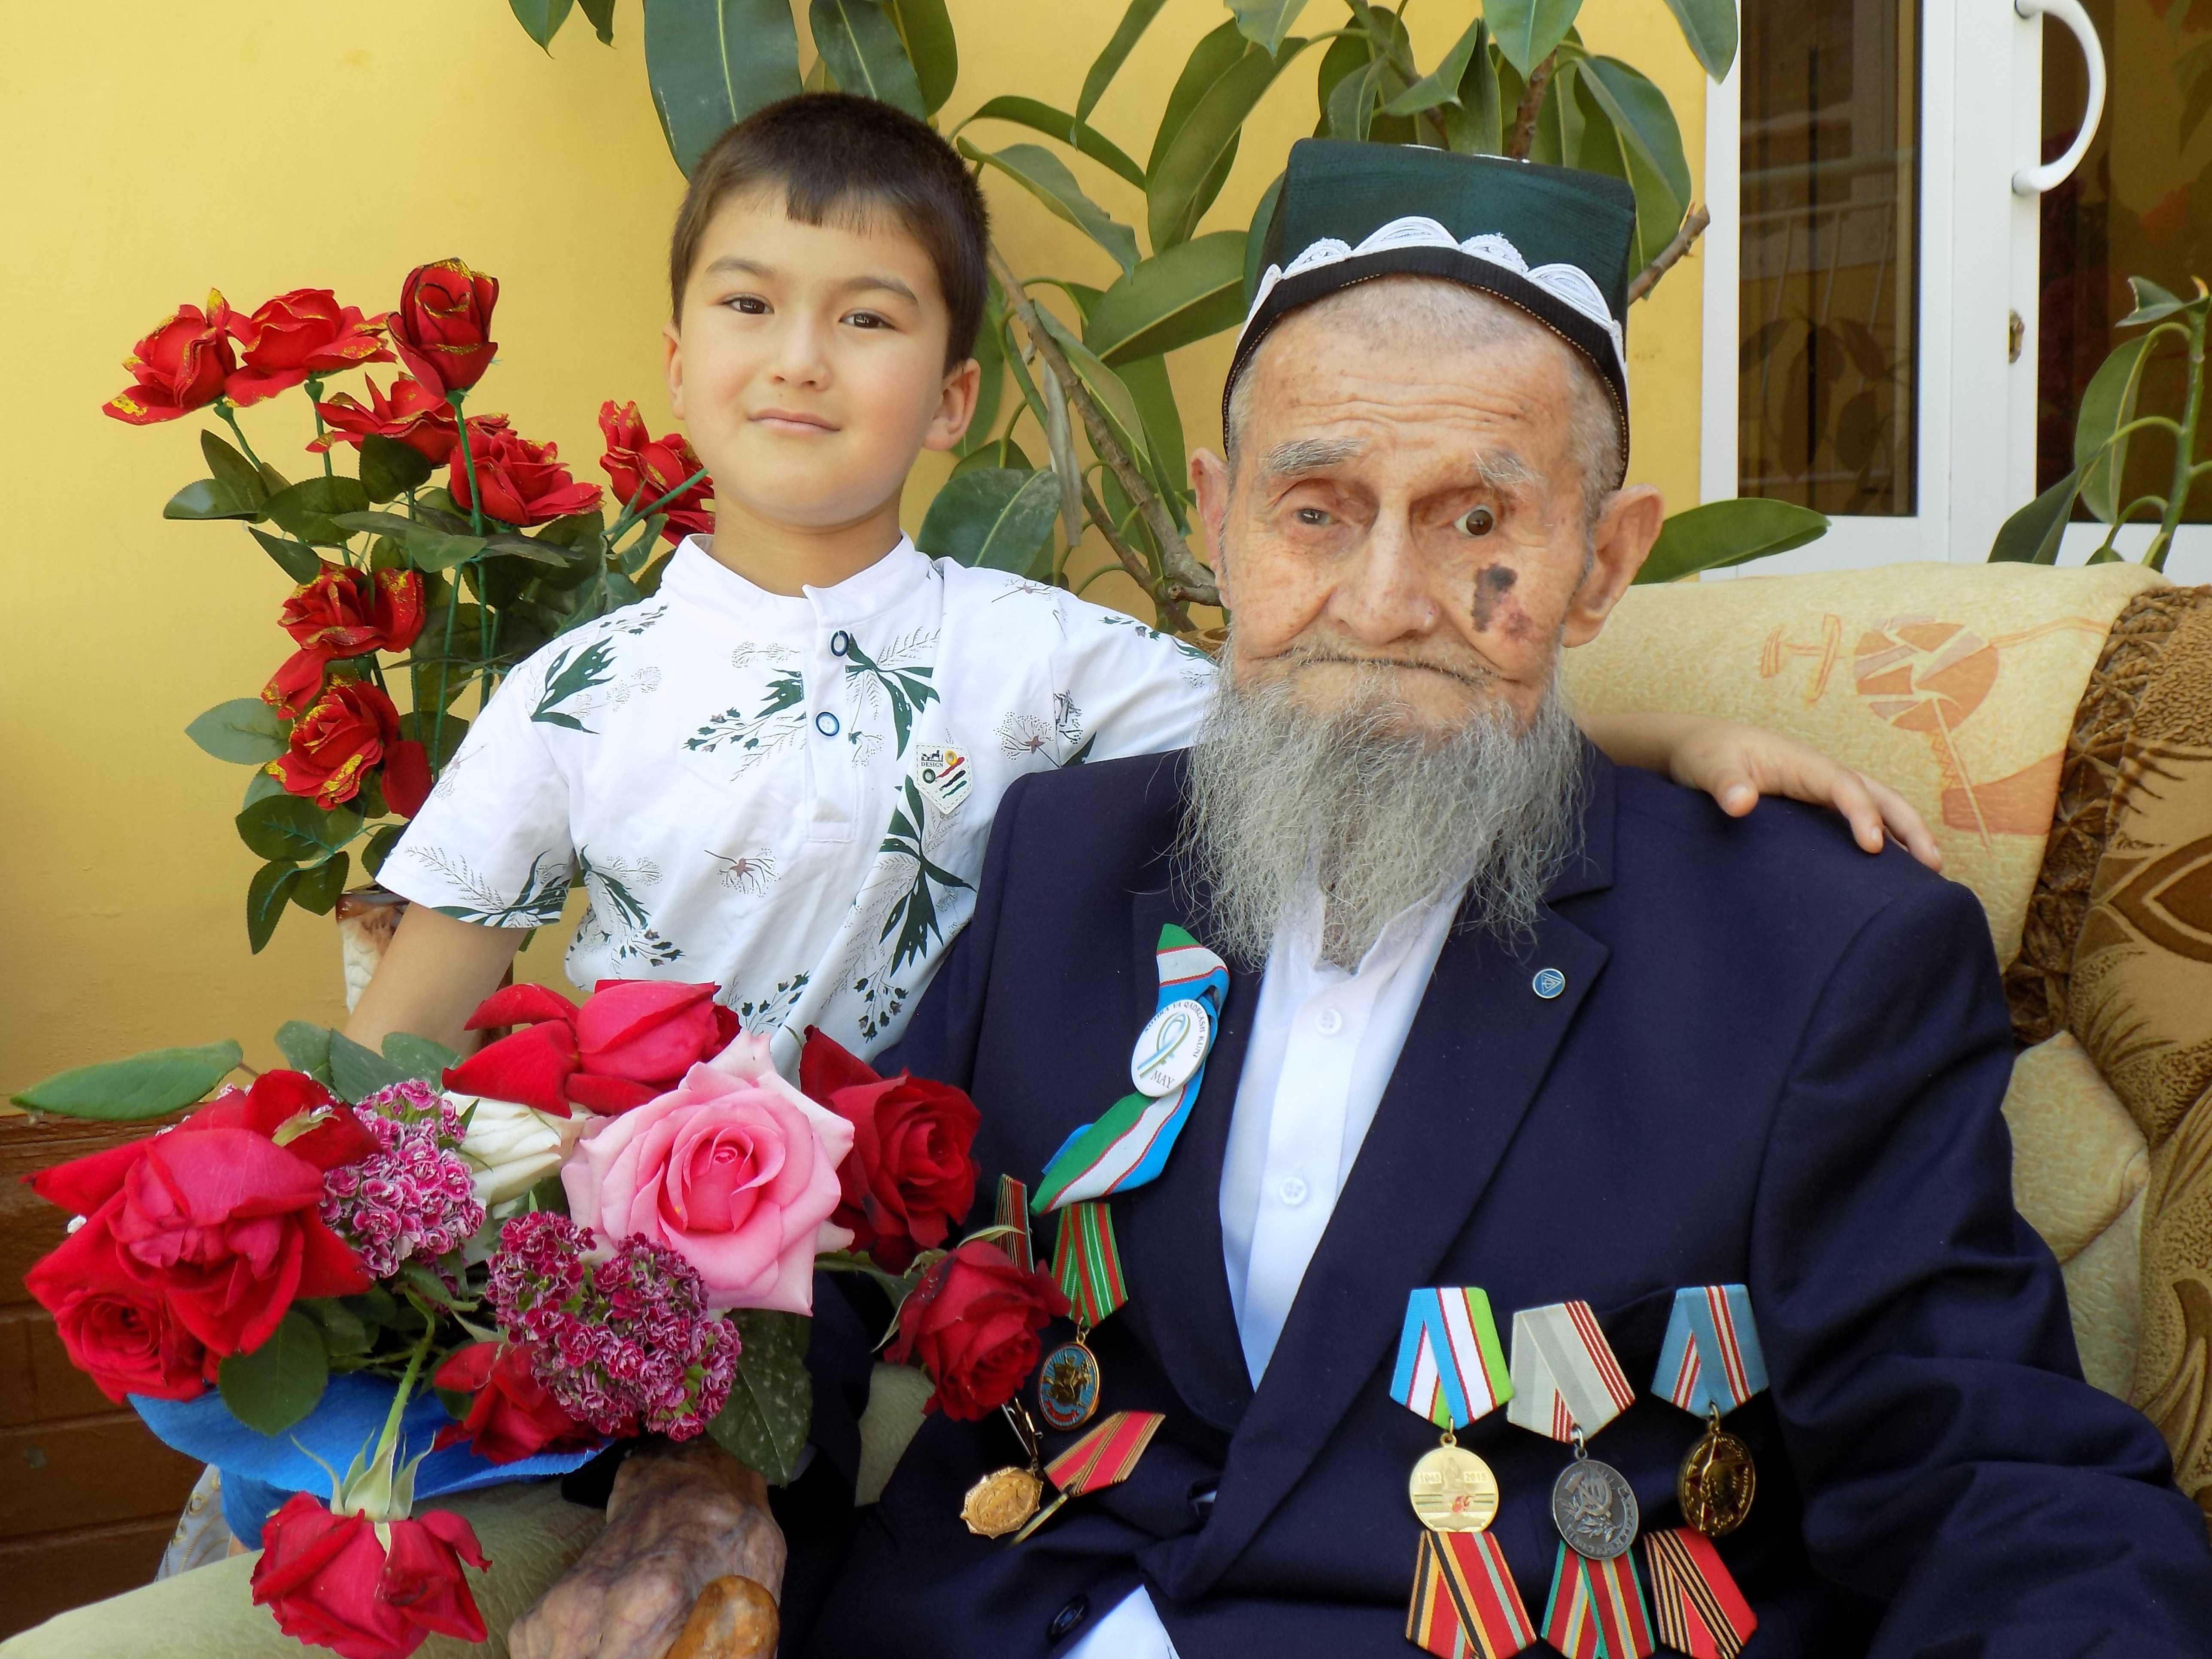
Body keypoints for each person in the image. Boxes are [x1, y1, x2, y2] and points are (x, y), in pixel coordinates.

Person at [511, 141, 2212, 1659]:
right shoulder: (1070, 859)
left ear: (1603, 560)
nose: (1384, 599)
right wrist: (704, 1479)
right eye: (1313, 512)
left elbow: (1988, 1470)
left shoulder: (1809, 950)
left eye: (1479, 520)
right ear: (1217, 523)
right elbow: (828, 1253)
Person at [347, 94, 1934, 1075]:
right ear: (679, 362)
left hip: (936, 1253)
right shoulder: (579, 690)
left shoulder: (1046, 660)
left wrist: (1673, 745)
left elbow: (1364, 700)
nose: (800, 363)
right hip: (632, 1254)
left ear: (958, 399)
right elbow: (402, 1041)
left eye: (871, 320)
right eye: (752, 306)